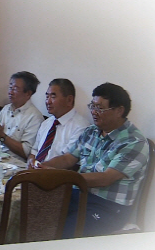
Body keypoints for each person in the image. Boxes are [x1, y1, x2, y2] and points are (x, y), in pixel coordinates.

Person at [40, 83, 149, 237]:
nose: (93, 112)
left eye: (99, 108)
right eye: (92, 105)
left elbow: (106, 178)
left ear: (119, 111)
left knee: (64, 233)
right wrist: (43, 167)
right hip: (78, 194)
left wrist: (61, 178)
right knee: (35, 215)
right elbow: (68, 158)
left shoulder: (133, 142)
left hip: (107, 206)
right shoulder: (91, 131)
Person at [27, 78, 90, 169]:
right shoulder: (47, 123)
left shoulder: (81, 127)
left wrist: (40, 167)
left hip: (57, 177)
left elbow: (67, 161)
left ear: (69, 100)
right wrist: (31, 161)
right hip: (35, 173)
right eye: (47, 97)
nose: (48, 102)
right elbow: (34, 151)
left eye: (53, 97)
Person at [0, 71, 44, 159]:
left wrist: (2, 136)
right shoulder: (6, 109)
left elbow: (26, 152)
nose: (10, 92)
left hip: (16, 164)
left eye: (15, 89)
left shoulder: (35, 117)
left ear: (28, 93)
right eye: (10, 87)